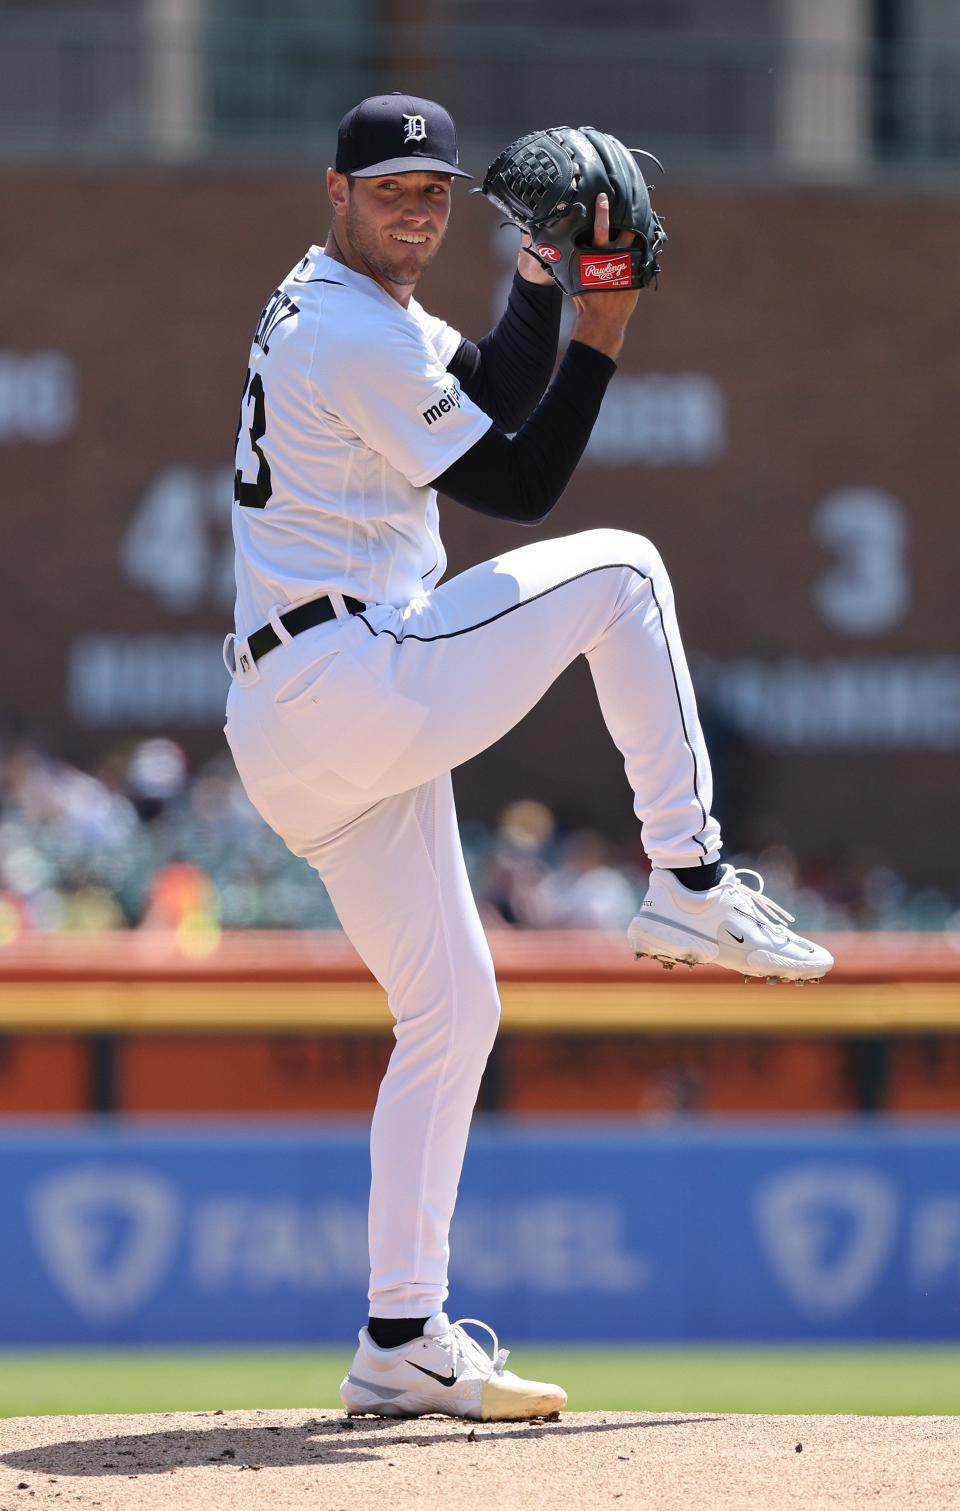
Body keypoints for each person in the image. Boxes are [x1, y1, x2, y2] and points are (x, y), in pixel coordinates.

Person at [222, 93, 833, 1422]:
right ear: (335, 194)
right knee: (621, 569)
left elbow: (493, 382)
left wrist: (544, 272)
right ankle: (687, 874)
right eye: (392, 190)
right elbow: (518, 482)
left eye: (436, 191)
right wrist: (605, 326)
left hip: (304, 719)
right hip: (349, 676)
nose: (418, 209)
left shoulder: (345, 307)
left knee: (453, 1015)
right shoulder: (343, 325)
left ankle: (400, 1338)